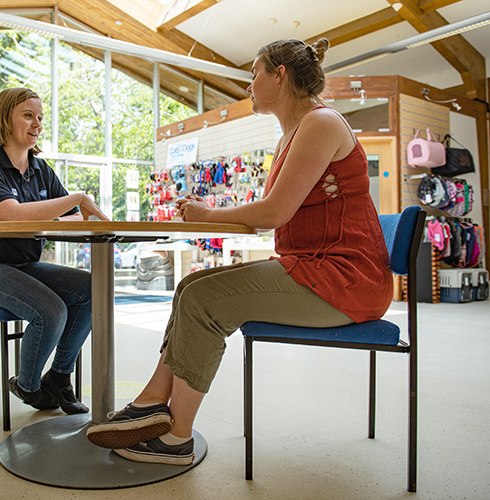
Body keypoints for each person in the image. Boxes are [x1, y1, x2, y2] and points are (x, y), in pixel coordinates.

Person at [85, 38, 393, 465]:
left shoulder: (321, 123)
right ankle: (153, 399)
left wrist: (208, 213)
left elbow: (274, 212)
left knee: (203, 300)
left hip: (345, 280)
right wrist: (206, 215)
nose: (250, 85)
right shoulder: (293, 134)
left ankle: (176, 438)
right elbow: (272, 214)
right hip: (317, 270)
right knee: (191, 285)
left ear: (279, 75)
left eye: (255, 74)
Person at [0, 88, 109, 415]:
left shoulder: (41, 169)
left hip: (20, 266)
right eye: (28, 115)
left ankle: (60, 377)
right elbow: (11, 214)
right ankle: (27, 386)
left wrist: (88, 213)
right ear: (4, 118)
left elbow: (69, 217)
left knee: (93, 288)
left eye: (40, 118)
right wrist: (77, 197)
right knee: (51, 310)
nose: (37, 124)